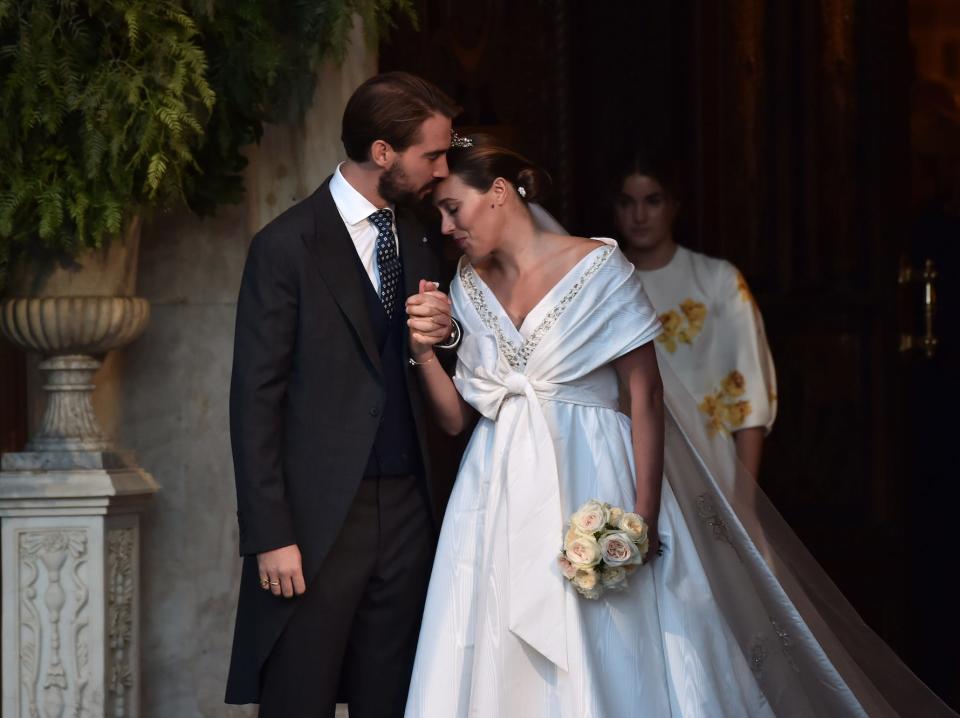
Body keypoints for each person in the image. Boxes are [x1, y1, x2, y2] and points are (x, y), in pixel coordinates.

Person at [402, 136, 958, 717]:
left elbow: (645, 393)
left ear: (496, 193)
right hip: (495, 492)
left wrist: (642, 515)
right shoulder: (465, 282)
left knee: (605, 641)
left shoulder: (597, 265)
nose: (445, 227)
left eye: (451, 208)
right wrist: (424, 350)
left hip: (590, 470)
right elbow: (455, 418)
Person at [225, 71, 462, 717]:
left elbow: (436, 363)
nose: (443, 171)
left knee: (393, 695)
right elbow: (255, 400)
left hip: (412, 506)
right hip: (319, 517)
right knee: (300, 693)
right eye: (431, 155)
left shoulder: (420, 236)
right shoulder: (284, 245)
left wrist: (444, 335)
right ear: (383, 152)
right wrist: (270, 533)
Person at [611, 151, 776, 478]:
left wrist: (746, 502)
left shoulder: (718, 280)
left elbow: (749, 396)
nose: (639, 215)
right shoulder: (605, 283)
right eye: (627, 203)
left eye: (653, 201)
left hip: (707, 460)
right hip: (628, 459)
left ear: (674, 205)